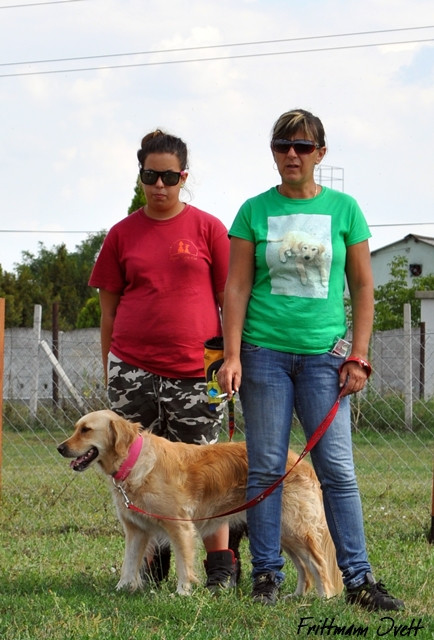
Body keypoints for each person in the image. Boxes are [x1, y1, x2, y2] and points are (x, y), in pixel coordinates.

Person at [217, 108, 405, 610]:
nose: (292, 155)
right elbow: (235, 286)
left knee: (337, 470)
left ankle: (360, 579)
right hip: (263, 355)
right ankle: (266, 577)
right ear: (273, 152)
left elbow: (363, 286)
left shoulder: (345, 210)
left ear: (321, 153)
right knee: (265, 470)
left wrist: (359, 355)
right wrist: (231, 354)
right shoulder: (253, 211)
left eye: (302, 146)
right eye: (283, 145)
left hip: (325, 359)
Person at [89, 129, 238, 590]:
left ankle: (221, 570)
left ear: (183, 177)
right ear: (140, 176)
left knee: (208, 473)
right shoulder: (121, 234)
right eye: (151, 175)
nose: (159, 185)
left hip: (202, 367)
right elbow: (109, 309)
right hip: (133, 369)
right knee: (134, 471)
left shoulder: (209, 228)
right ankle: (153, 569)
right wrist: (111, 367)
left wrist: (231, 358)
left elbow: (230, 298)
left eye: (169, 176)